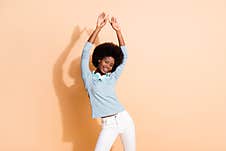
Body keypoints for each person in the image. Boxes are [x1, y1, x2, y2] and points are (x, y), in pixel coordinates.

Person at [80, 12, 136, 151]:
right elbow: (85, 54)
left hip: (125, 119)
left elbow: (125, 56)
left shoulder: (112, 77)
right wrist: (98, 28)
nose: (108, 66)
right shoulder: (88, 78)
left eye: (111, 65)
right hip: (108, 124)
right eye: (106, 62)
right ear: (99, 59)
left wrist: (118, 30)